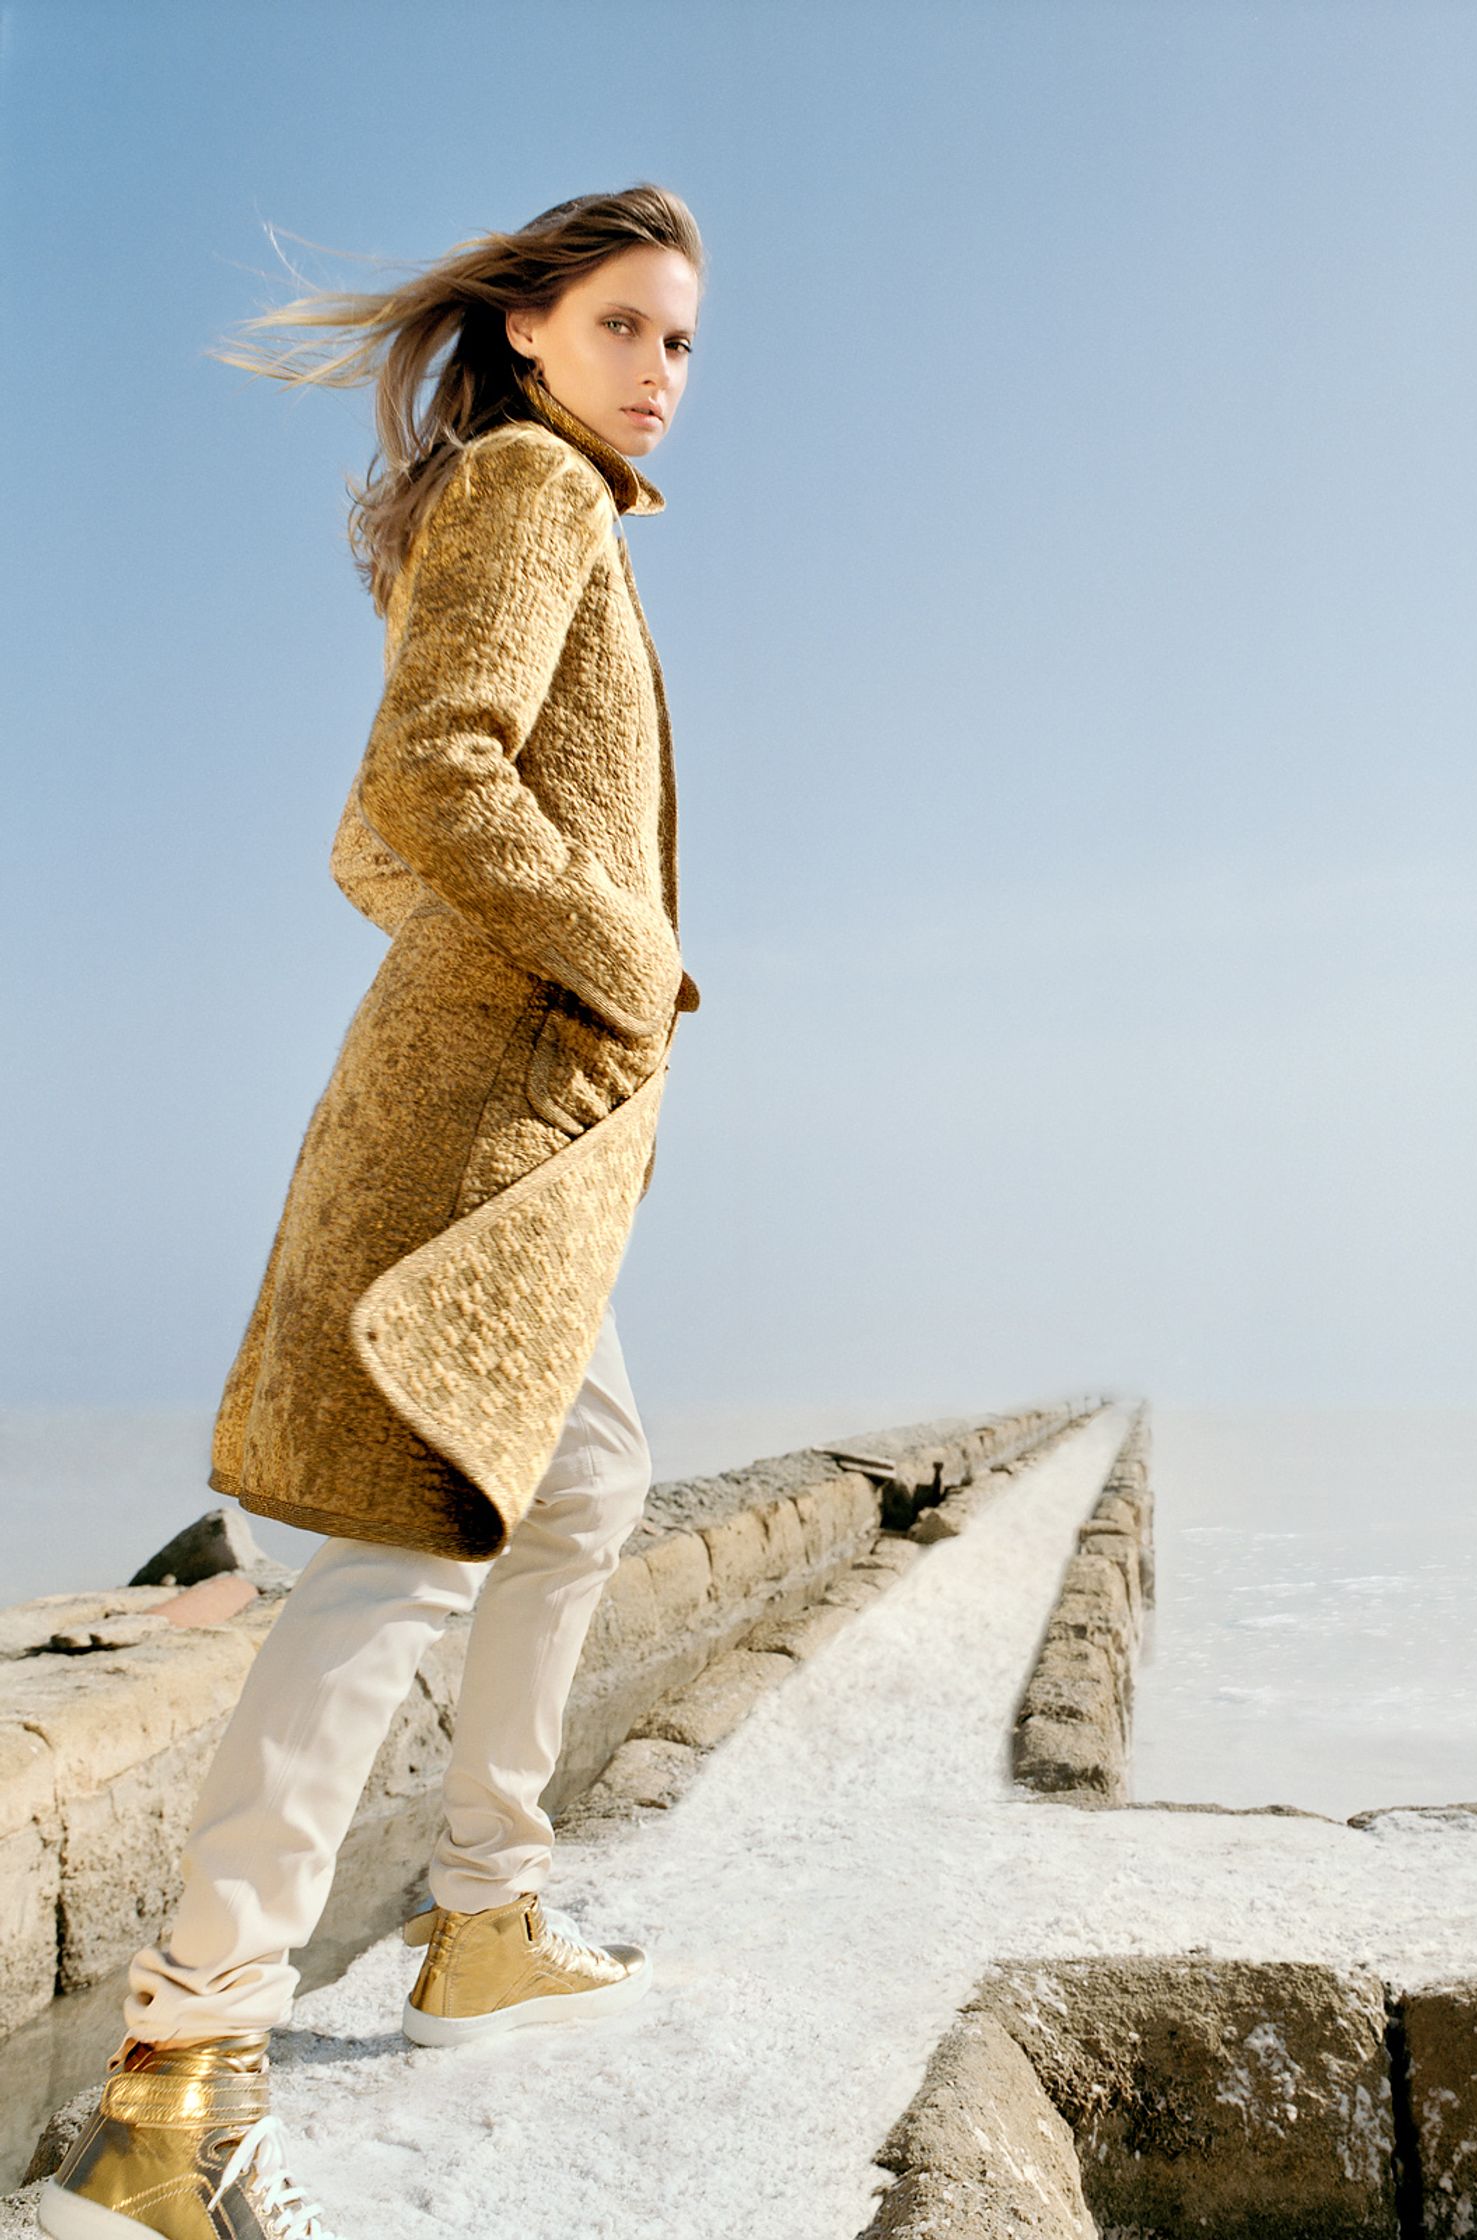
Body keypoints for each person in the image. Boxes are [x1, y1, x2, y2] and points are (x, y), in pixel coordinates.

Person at [39, 182, 705, 2240]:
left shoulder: (538, 501)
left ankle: (484, 1920)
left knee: (588, 1480)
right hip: (486, 1130)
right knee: (406, 1550)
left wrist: (542, 974)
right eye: (624, 326)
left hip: (524, 1121)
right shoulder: (531, 485)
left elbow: (367, 840)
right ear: (525, 330)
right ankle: (181, 2080)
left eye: (682, 340)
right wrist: (620, 953)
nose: (660, 372)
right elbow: (433, 776)